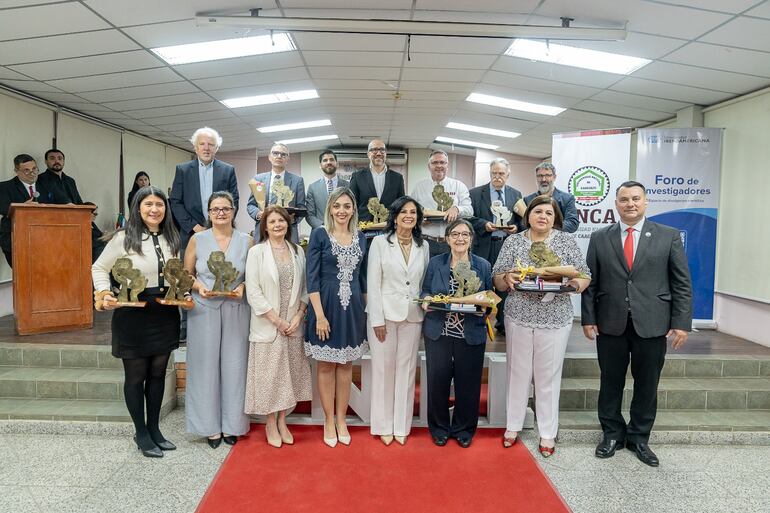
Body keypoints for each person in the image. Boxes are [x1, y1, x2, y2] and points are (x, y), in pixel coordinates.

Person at [582, 181, 692, 467]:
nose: (630, 204)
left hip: (653, 322)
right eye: (624, 199)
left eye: (635, 199)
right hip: (610, 322)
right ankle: (612, 434)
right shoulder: (599, 237)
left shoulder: (668, 236)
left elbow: (681, 282)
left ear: (645, 202)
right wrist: (589, 319)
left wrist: (681, 323)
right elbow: (590, 282)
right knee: (610, 381)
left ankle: (640, 437)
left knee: (647, 384)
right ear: (616, 204)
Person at [92, 186, 189, 458]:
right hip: (133, 313)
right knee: (136, 377)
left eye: (159, 204)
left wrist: (184, 291)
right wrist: (103, 291)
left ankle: (155, 428)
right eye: (148, 204)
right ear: (138, 207)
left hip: (164, 312)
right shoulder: (124, 238)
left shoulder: (172, 237)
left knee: (158, 374)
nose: (154, 209)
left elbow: (175, 272)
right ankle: (141, 432)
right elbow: (99, 267)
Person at [492, 195, 590, 457]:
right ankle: (512, 425)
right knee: (518, 372)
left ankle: (547, 432)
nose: (543, 217)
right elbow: (498, 279)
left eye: (548, 213)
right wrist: (508, 277)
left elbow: (583, 275)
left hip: (555, 317)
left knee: (548, 376)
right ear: (529, 216)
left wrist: (572, 286)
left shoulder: (566, 242)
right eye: (538, 212)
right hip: (519, 314)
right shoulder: (513, 242)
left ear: (555, 218)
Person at [183, 191, 251, 449]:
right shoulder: (197, 239)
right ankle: (209, 427)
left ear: (234, 211)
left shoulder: (247, 240)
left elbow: (252, 275)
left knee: (235, 366)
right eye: (215, 209)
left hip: (236, 307)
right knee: (204, 367)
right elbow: (186, 274)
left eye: (225, 208)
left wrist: (243, 286)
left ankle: (233, 425)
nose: (220, 213)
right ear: (209, 213)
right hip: (204, 308)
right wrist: (199, 287)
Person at [244, 205, 312, 448]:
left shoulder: (297, 251)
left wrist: (299, 315)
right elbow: (253, 291)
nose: (277, 225)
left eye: (281, 221)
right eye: (272, 222)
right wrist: (277, 320)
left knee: (289, 376)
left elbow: (305, 287)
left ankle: (283, 419)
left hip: (293, 324)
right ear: (265, 226)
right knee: (271, 376)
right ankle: (270, 422)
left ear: (288, 225)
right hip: (269, 323)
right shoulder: (257, 252)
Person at [421, 219, 492, 448]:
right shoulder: (435, 263)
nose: (460, 239)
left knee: (468, 384)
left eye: (465, 234)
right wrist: (426, 301)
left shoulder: (482, 265)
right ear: (447, 238)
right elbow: (426, 291)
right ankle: (439, 428)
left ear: (471, 239)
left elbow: (489, 298)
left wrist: (485, 307)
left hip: (470, 332)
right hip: (439, 332)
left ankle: (464, 429)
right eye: (455, 234)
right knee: (438, 382)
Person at [304, 187, 366, 447]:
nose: (342, 211)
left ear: (353, 209)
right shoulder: (319, 234)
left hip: (351, 309)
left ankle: (342, 419)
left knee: (346, 366)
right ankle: (328, 420)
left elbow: (362, 279)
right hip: (325, 307)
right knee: (326, 365)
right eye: (337, 206)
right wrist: (319, 315)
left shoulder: (361, 237)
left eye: (347, 206)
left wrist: (365, 311)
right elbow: (312, 277)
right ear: (330, 208)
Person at [366, 196, 430, 446]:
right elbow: (373, 282)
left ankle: (401, 426)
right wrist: (377, 319)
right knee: (383, 370)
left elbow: (422, 281)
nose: (408, 216)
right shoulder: (380, 243)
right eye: (403, 211)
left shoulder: (422, 246)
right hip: (384, 316)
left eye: (413, 212)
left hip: (412, 316)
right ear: (394, 216)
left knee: (406, 371)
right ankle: (383, 425)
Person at [469, 158, 523, 333]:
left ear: (507, 175)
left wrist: (517, 227)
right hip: (483, 245)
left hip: (506, 247)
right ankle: (477, 322)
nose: (497, 177)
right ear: (490, 173)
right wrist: (484, 225)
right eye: (494, 173)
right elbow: (469, 218)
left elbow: (523, 221)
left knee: (505, 286)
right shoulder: (476, 193)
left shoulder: (516, 194)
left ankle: (502, 324)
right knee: (481, 284)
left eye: (501, 173)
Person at [169, 127, 239, 250]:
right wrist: (194, 226)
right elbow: (175, 202)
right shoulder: (183, 170)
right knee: (188, 269)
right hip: (190, 234)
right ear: (195, 147)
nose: (206, 148)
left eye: (211, 144)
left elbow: (234, 201)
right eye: (202, 144)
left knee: (223, 268)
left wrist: (218, 224)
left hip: (222, 233)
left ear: (216, 148)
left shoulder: (228, 170)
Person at [410, 150, 473, 257]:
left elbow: (470, 210)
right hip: (426, 242)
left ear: (447, 165)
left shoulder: (458, 185)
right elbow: (411, 212)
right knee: (426, 273)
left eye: (442, 162)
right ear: (429, 166)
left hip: (452, 243)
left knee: (451, 273)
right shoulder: (419, 187)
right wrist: (420, 220)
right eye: (435, 163)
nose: (439, 165)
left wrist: (457, 209)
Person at [0, 154, 58, 266]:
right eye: (26, 171)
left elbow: (63, 200)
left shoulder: (47, 184)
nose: (32, 173)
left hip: (45, 239)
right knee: (24, 276)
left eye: (34, 169)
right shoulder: (4, 187)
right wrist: (21, 207)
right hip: (16, 240)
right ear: (16, 171)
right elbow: (3, 208)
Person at [247, 143, 306, 243]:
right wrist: (258, 214)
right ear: (269, 157)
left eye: (283, 155)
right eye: (275, 153)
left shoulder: (297, 181)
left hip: (288, 231)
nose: (279, 156)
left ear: (287, 159)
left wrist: (293, 219)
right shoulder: (258, 179)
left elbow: (302, 207)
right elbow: (251, 205)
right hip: (264, 230)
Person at [348, 139, 405, 223]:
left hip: (389, 226)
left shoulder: (397, 178)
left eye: (382, 150)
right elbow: (352, 204)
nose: (378, 153)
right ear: (368, 154)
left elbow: (401, 204)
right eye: (374, 150)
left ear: (386, 154)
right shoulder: (357, 177)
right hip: (364, 228)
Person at [523, 162, 579, 233]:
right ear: (536, 178)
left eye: (547, 175)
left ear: (554, 177)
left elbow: (572, 224)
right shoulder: (527, 200)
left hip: (558, 242)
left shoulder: (567, 199)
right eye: (540, 176)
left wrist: (547, 225)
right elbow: (522, 224)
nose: (543, 179)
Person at [306, 150, 349, 230]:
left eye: (332, 160)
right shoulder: (313, 187)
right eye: (325, 160)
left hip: (343, 230)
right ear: (320, 165)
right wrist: (323, 227)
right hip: (320, 232)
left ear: (337, 164)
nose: (329, 162)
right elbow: (309, 215)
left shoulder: (348, 186)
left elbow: (352, 210)